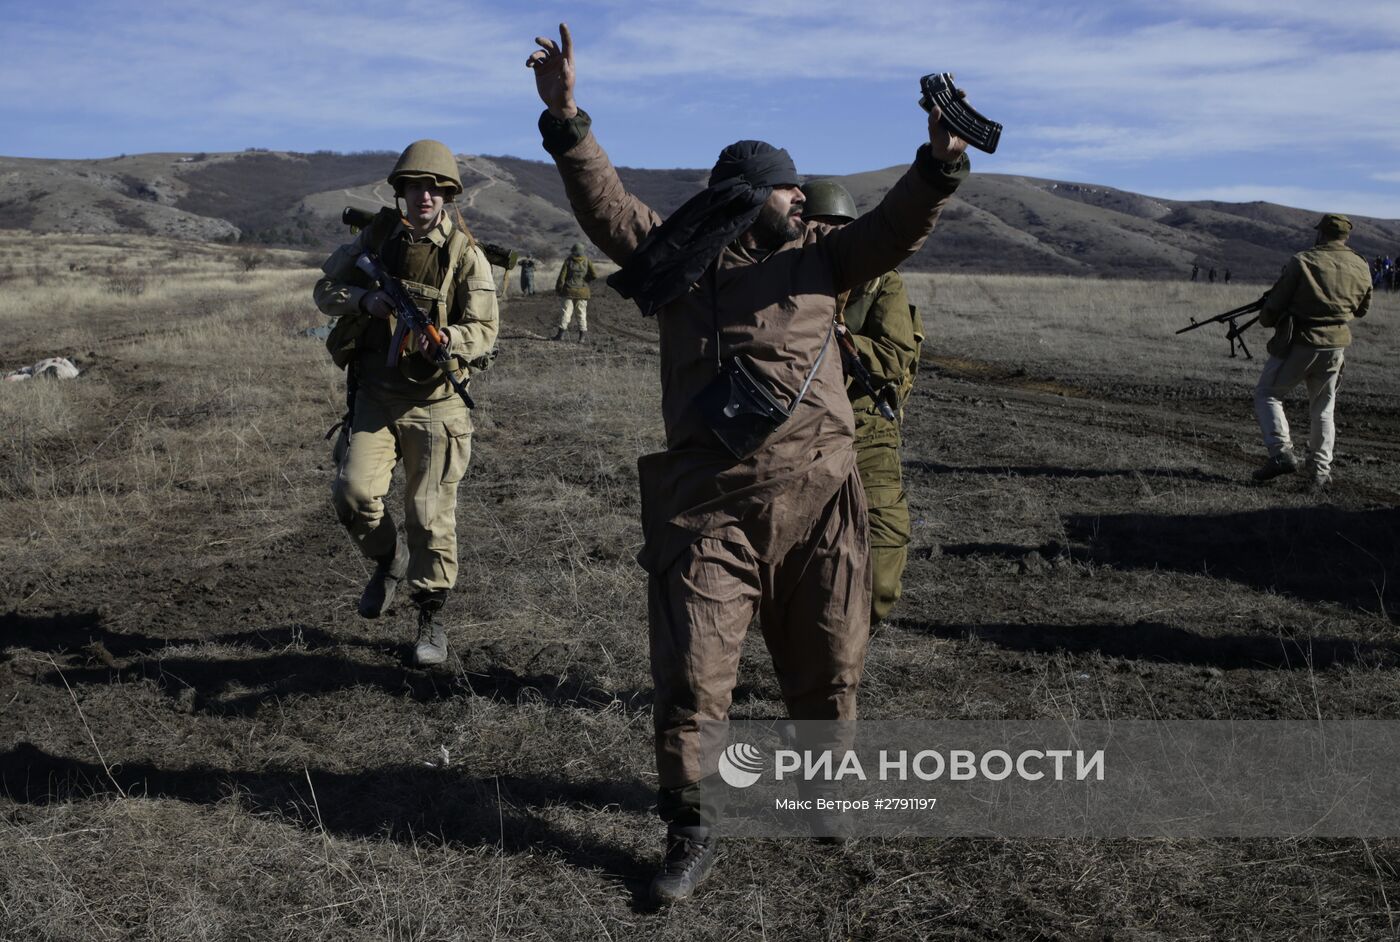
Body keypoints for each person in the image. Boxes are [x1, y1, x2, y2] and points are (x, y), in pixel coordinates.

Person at [528, 23, 970, 904]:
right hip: (709, 508)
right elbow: (607, 205)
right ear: (747, 194)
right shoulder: (679, 266)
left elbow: (893, 228)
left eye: (803, 188)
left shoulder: (826, 261)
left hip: (824, 499)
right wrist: (568, 119)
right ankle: (690, 830)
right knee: (693, 671)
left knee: (832, 661)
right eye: (788, 188)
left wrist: (936, 166)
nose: (803, 199)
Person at [313, 139, 500, 666]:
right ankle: (387, 561)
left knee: (429, 514)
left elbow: (486, 330)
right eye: (416, 187)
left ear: (447, 197)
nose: (425, 196)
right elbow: (325, 291)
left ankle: (430, 618)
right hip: (374, 396)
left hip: (437, 403)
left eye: (435, 189)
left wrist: (446, 340)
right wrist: (365, 300)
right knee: (352, 494)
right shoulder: (375, 240)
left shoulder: (465, 254)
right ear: (401, 192)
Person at [803, 179, 921, 625]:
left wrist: (841, 340)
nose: (830, 232)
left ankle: (854, 632)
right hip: (799, 424)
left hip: (865, 421)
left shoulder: (882, 279)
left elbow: (895, 356)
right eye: (820, 222)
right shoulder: (782, 277)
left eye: (840, 224)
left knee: (882, 560)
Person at [1252, 213, 1372, 490]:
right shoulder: (1361, 264)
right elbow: (1362, 310)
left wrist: (1268, 317)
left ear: (1321, 234)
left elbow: (1273, 308)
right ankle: (1319, 473)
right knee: (1323, 409)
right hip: (1336, 346)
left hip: (1301, 342)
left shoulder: (1303, 261)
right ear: (1346, 236)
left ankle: (1281, 453)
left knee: (1268, 394)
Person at [553, 242, 597, 341]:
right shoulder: (587, 261)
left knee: (566, 313)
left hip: (568, 290)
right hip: (583, 291)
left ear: (573, 251)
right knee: (581, 314)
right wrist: (585, 280)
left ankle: (560, 335)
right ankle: (582, 337)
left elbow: (562, 277)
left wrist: (558, 289)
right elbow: (594, 275)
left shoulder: (568, 261)